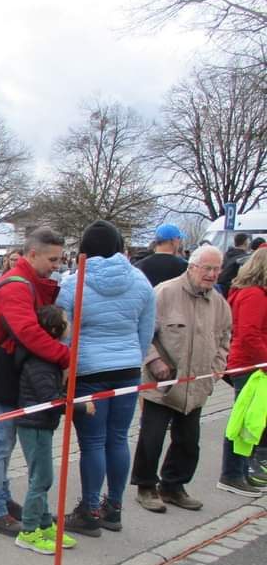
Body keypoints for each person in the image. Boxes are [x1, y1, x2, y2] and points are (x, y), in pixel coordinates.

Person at [59, 220, 155, 536]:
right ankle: (114, 508)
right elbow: (145, 332)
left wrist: (64, 371)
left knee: (93, 443)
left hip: (88, 371)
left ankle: (89, 510)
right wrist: (133, 361)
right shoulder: (141, 281)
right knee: (118, 439)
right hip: (127, 369)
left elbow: (64, 335)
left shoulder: (75, 284)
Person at [0, 228, 70, 537]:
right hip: (3, 373)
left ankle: (1, 501)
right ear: (32, 254)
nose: (57, 265)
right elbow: (29, 333)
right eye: (52, 259)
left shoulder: (28, 283)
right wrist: (66, 357)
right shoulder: (16, 287)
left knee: (4, 441)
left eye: (60, 259)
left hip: (11, 371)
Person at [131, 245, 230, 510]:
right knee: (151, 438)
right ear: (192, 266)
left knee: (188, 441)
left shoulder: (218, 302)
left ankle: (173, 486)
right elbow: (142, 332)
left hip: (197, 385)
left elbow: (224, 339)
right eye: (206, 268)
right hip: (161, 384)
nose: (211, 274)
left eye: (216, 269)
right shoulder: (165, 292)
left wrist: (216, 371)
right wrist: (154, 361)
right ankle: (146, 487)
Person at [12, 305, 89, 554]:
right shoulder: (40, 362)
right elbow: (50, 399)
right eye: (66, 322)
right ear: (56, 329)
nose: (69, 327)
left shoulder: (49, 358)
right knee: (42, 478)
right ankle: (29, 531)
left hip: (41, 424)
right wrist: (79, 407)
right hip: (34, 425)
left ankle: (45, 525)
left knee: (42, 477)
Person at [219, 247, 267, 494]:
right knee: (242, 422)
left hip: (252, 364)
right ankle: (232, 473)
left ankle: (240, 471)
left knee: (248, 420)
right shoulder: (254, 295)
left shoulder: (254, 293)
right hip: (250, 365)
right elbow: (249, 334)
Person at [217, 232, 251, 297]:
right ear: (245, 242)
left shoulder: (226, 254)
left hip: (220, 288)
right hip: (232, 289)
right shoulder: (244, 258)